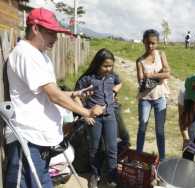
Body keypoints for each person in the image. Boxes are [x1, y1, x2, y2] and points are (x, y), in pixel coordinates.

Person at [5, 8, 104, 188]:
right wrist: (86, 111)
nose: (56, 38)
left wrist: (74, 94)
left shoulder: (40, 56)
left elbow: (48, 92)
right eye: (51, 33)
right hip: (28, 138)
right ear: (35, 29)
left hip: (41, 138)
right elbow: (53, 95)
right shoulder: (25, 54)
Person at [74, 48, 121, 188]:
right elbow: (75, 96)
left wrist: (114, 92)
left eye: (110, 66)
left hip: (110, 115)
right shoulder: (87, 79)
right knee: (94, 148)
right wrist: (84, 114)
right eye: (105, 66)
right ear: (97, 64)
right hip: (94, 118)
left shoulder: (112, 77)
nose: (108, 69)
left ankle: (112, 178)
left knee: (112, 147)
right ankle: (95, 175)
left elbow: (119, 83)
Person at [136, 29, 170, 161]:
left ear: (157, 43)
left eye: (153, 43)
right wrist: (159, 76)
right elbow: (142, 83)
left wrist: (152, 76)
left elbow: (168, 74)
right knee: (142, 126)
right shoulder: (140, 61)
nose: (150, 46)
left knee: (160, 130)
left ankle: (162, 160)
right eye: (147, 43)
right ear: (143, 42)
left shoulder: (161, 54)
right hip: (145, 99)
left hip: (160, 97)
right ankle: (138, 156)